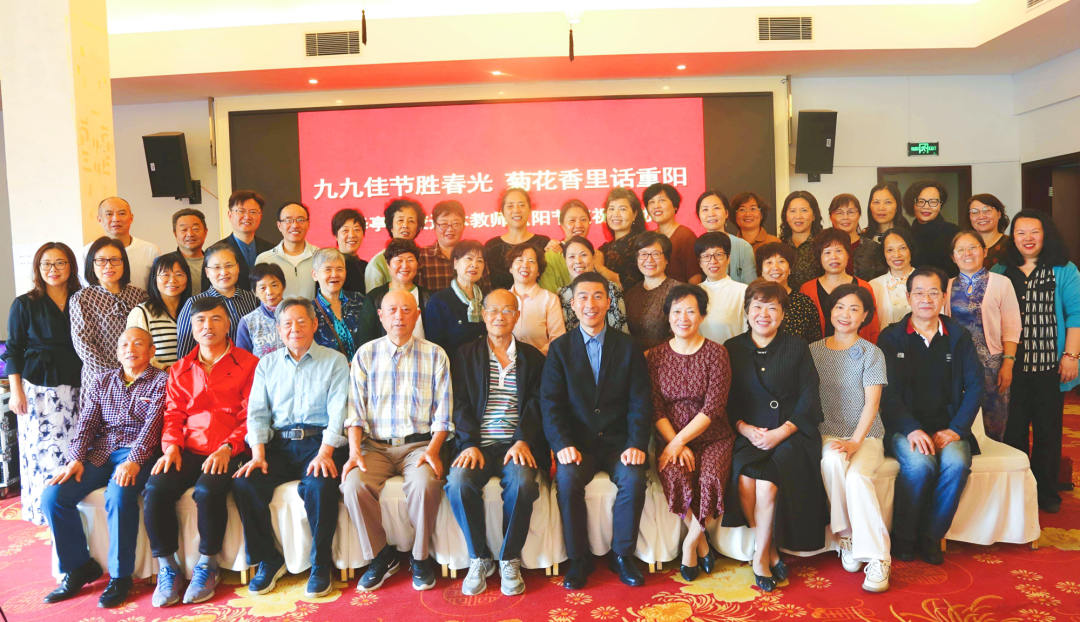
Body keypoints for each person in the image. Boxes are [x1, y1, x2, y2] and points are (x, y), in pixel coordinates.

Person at [143, 297, 259, 606]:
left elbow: (252, 416)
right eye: (201, 321)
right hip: (188, 449)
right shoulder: (180, 369)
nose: (208, 326)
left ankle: (208, 565)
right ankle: (168, 568)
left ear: (228, 324)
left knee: (207, 491)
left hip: (230, 449)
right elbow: (173, 415)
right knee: (155, 488)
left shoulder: (248, 363)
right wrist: (171, 448)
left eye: (215, 319)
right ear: (192, 329)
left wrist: (228, 447)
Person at [232, 298, 350, 598]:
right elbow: (257, 413)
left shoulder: (335, 360)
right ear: (279, 329)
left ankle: (320, 564)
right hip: (280, 445)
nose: (294, 328)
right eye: (287, 323)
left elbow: (339, 412)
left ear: (314, 324)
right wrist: (258, 455)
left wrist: (325, 453)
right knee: (246, 483)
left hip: (320, 443)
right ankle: (269, 559)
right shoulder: (267, 364)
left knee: (320, 485)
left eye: (301, 321)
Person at [40, 327, 166, 608]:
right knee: (53, 496)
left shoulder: (161, 381)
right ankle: (79, 567)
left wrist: (134, 460)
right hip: (100, 452)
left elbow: (153, 427)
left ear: (151, 351)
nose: (130, 349)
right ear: (117, 352)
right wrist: (75, 458)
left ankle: (121, 576)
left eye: (138, 344)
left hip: (138, 454)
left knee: (119, 495)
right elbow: (86, 423)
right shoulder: (102, 381)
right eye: (124, 345)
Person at [542, 272, 652, 590]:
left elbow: (640, 402)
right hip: (578, 445)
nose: (590, 303)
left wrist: (636, 443)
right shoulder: (560, 349)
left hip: (620, 443)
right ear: (573, 304)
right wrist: (562, 444)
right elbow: (550, 404)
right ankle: (579, 558)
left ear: (608, 301)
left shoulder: (629, 347)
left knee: (634, 478)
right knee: (566, 481)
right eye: (583, 297)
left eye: (598, 296)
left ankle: (622, 555)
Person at [721, 280, 829, 593]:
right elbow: (728, 401)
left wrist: (782, 432)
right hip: (750, 432)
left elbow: (809, 397)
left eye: (772, 308)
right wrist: (743, 428)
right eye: (757, 307)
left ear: (782, 314)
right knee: (744, 478)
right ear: (746, 311)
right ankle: (768, 548)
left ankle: (760, 558)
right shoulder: (732, 348)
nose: (764, 314)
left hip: (792, 432)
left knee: (766, 483)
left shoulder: (797, 346)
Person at [343, 290, 452, 593]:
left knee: (425, 483)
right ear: (380, 316)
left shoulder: (435, 354)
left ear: (417, 315)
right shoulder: (365, 354)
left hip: (419, 446)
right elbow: (355, 412)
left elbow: (444, 415)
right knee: (352, 484)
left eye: (406, 310)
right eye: (392, 310)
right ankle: (381, 556)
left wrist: (433, 450)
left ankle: (420, 557)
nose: (399, 316)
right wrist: (354, 451)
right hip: (374, 446)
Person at [444, 289, 548, 596]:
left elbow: (537, 404)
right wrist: (469, 444)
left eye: (507, 311)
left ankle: (509, 558)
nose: (499, 317)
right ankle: (479, 557)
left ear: (517, 317)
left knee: (523, 484)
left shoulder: (532, 358)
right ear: (483, 315)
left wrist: (523, 439)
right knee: (458, 483)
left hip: (514, 445)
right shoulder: (465, 355)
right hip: (476, 444)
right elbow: (460, 404)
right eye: (493, 311)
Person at [878, 267, 984, 564]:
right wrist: (911, 428)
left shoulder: (958, 336)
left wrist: (956, 429)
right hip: (905, 428)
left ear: (944, 297)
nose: (926, 299)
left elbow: (976, 386)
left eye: (934, 293)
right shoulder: (891, 337)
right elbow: (885, 391)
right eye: (920, 293)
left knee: (957, 463)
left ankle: (931, 535)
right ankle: (905, 536)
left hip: (948, 426)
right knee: (920, 464)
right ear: (908, 297)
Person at [991, 210, 1080, 513]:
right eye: (1021, 233)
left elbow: (1076, 314)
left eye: (1034, 232)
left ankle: (1047, 493)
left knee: (1048, 432)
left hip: (1050, 367)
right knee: (1012, 432)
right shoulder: (1001, 270)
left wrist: (1071, 355)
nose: (1027, 238)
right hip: (1011, 367)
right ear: (1012, 237)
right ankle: (1018, 493)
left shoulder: (1064, 269)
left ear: (1045, 234)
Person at [647, 284, 734, 581]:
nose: (683, 318)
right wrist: (674, 443)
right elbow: (655, 407)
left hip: (713, 436)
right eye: (677, 312)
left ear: (702, 316)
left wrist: (679, 441)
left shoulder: (717, 353)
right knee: (675, 474)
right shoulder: (656, 356)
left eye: (690, 311)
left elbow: (714, 407)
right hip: (670, 435)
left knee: (710, 477)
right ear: (668, 316)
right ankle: (703, 544)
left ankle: (690, 545)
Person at [810, 284, 892, 593]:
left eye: (854, 309)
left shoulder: (872, 353)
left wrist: (856, 441)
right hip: (828, 432)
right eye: (840, 307)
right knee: (832, 461)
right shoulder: (812, 351)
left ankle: (879, 558)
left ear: (865, 316)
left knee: (857, 478)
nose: (846, 314)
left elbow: (872, 404)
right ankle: (847, 537)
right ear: (830, 311)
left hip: (866, 435)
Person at [3, 243, 82, 525]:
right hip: (39, 387)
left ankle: (78, 515)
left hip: (79, 385)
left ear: (71, 266)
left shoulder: (82, 299)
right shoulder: (25, 303)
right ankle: (45, 514)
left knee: (76, 449)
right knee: (42, 451)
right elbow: (13, 350)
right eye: (46, 264)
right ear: (38, 268)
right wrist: (16, 391)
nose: (53, 269)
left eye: (60, 263)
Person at [946, 231, 1020, 442]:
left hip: (992, 365)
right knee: (960, 421)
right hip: (956, 365)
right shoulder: (946, 285)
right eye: (960, 249)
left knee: (993, 423)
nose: (967, 253)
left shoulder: (1002, 283)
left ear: (984, 251)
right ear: (953, 257)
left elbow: (1012, 326)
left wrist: (1008, 363)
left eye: (973, 247)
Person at [71, 237, 149, 402]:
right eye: (101, 261)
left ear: (124, 263)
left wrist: (134, 373)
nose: (108, 266)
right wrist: (116, 376)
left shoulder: (139, 295)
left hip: (137, 377)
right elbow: (83, 343)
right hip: (99, 379)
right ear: (92, 265)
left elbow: (147, 337)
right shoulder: (82, 298)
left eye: (115, 260)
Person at [176, 242, 260, 358]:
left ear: (238, 267)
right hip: (210, 367)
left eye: (229, 265)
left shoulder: (253, 299)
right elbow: (185, 353)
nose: (224, 272)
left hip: (250, 366)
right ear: (207, 272)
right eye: (216, 267)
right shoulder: (193, 303)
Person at [799, 228, 880, 343]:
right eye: (827, 252)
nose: (834, 257)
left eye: (838, 251)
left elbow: (873, 329)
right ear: (819, 258)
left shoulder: (864, 287)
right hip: (819, 352)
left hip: (859, 351)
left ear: (848, 255)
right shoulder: (807, 289)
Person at [423, 239, 489, 359]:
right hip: (453, 367)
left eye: (480, 261)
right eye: (469, 258)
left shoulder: (487, 300)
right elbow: (434, 347)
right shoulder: (439, 301)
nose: (475, 265)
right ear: (455, 263)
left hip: (483, 366)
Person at [78, 197, 161, 291]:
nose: (116, 219)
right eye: (109, 214)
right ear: (99, 219)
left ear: (131, 218)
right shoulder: (85, 252)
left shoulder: (151, 251)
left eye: (122, 213)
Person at [127, 253, 191, 369]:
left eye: (179, 275)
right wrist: (167, 371)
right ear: (154, 278)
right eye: (165, 275)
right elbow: (134, 353)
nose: (172, 280)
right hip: (158, 379)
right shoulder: (142, 313)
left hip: (193, 377)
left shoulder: (193, 312)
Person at [541, 199, 619, 292]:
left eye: (583, 220)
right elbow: (547, 295)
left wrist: (600, 268)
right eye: (572, 220)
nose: (578, 225)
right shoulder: (551, 255)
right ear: (562, 225)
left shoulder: (597, 254)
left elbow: (614, 289)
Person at [362, 238, 432, 341]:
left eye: (410, 260)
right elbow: (365, 340)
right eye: (399, 260)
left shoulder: (429, 298)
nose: (405, 266)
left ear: (417, 264)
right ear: (388, 265)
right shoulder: (374, 298)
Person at [556, 236, 628, 333]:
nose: (578, 261)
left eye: (583, 255)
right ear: (565, 260)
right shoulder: (562, 294)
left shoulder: (610, 289)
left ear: (593, 257)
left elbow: (621, 332)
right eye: (572, 257)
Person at [624, 232, 681, 351]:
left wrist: (649, 355)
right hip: (634, 359)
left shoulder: (679, 292)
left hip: (668, 359)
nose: (649, 260)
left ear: (666, 258)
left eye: (656, 254)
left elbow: (680, 335)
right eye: (643, 254)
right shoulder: (630, 294)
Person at [208, 190, 275, 293]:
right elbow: (208, 291)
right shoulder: (214, 252)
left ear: (260, 217)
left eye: (253, 212)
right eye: (241, 211)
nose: (247, 217)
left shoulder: (271, 249)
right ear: (230, 215)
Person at [485, 188, 551, 290]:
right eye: (510, 206)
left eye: (521, 205)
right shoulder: (491, 246)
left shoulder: (544, 243)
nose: (516, 210)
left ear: (530, 209)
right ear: (502, 211)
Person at [756, 242, 822, 344]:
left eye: (781, 261)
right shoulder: (754, 301)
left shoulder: (804, 303)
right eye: (769, 262)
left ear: (790, 268)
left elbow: (814, 342)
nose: (775, 267)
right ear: (761, 271)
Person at [418, 200, 491, 292]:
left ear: (463, 226)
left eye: (456, 224)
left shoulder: (476, 255)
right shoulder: (423, 256)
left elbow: (486, 292)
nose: (450, 229)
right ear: (434, 226)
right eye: (444, 224)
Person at [311, 248, 369, 360]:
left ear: (345, 273)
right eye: (328, 270)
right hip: (329, 370)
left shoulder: (359, 301)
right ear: (314, 275)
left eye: (339, 269)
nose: (334, 274)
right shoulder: (309, 311)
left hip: (362, 369)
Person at [508, 245, 566, 355]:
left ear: (539, 271)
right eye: (520, 260)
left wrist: (535, 356)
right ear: (511, 268)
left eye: (531, 261)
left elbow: (558, 339)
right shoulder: (501, 298)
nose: (525, 265)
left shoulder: (550, 299)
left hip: (540, 361)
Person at [692, 190, 757, 284]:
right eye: (705, 209)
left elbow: (751, 285)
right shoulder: (694, 247)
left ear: (726, 213)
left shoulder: (743, 247)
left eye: (716, 208)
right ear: (699, 215)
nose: (711, 214)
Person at [255, 201, 318, 299]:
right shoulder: (264, 259)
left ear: (308, 224)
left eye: (300, 220)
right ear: (279, 225)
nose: (295, 225)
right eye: (288, 220)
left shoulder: (320, 256)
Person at [695, 232, 747, 344]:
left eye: (718, 255)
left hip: (732, 353)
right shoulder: (693, 293)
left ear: (728, 258)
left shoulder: (743, 291)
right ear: (700, 262)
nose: (713, 261)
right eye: (706, 256)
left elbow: (748, 333)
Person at [365, 198, 426, 292]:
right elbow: (373, 298)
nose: (405, 225)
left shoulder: (424, 257)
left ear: (417, 227)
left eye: (411, 221)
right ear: (391, 226)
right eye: (400, 220)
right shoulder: (378, 262)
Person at [905, 180, 960, 278]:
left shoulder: (954, 232)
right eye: (921, 201)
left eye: (933, 202)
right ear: (913, 204)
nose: (926, 207)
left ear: (940, 205)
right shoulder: (905, 235)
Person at [644, 183, 698, 283]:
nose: (656, 206)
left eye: (661, 200)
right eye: (651, 202)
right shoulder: (649, 238)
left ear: (675, 205)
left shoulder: (685, 236)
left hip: (679, 292)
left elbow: (695, 277)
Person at [599, 187, 648, 291]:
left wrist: (600, 267)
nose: (616, 214)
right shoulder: (605, 249)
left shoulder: (641, 245)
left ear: (635, 214)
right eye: (611, 209)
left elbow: (623, 285)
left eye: (622, 209)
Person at [829, 194, 887, 282]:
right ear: (831, 217)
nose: (845, 217)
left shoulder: (874, 248)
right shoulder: (823, 248)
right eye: (839, 213)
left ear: (859, 215)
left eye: (850, 212)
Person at [869, 228, 917, 329]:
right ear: (884, 253)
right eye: (890, 250)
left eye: (902, 248)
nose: (896, 255)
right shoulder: (873, 286)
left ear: (910, 249)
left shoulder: (929, 281)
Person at [236, 263, 287, 358]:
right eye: (262, 288)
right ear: (254, 292)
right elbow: (242, 359)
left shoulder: (297, 315)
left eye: (274, 285)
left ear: (283, 286)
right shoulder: (247, 322)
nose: (269, 292)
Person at [778, 190, 824, 292]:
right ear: (786, 216)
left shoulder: (823, 245)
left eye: (804, 210)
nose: (798, 216)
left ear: (814, 216)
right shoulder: (779, 245)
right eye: (792, 211)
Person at [967, 194, 1011, 270]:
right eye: (975, 212)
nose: (981, 217)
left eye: (987, 210)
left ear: (999, 213)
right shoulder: (964, 246)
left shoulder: (1012, 244)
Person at [331, 208, 369, 294]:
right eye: (345, 230)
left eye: (357, 229)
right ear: (336, 235)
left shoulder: (367, 267)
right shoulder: (329, 265)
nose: (352, 235)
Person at [173, 208, 208, 297]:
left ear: (205, 232)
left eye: (195, 229)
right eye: (183, 229)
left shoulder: (215, 263)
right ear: (175, 234)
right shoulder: (164, 264)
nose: (190, 234)